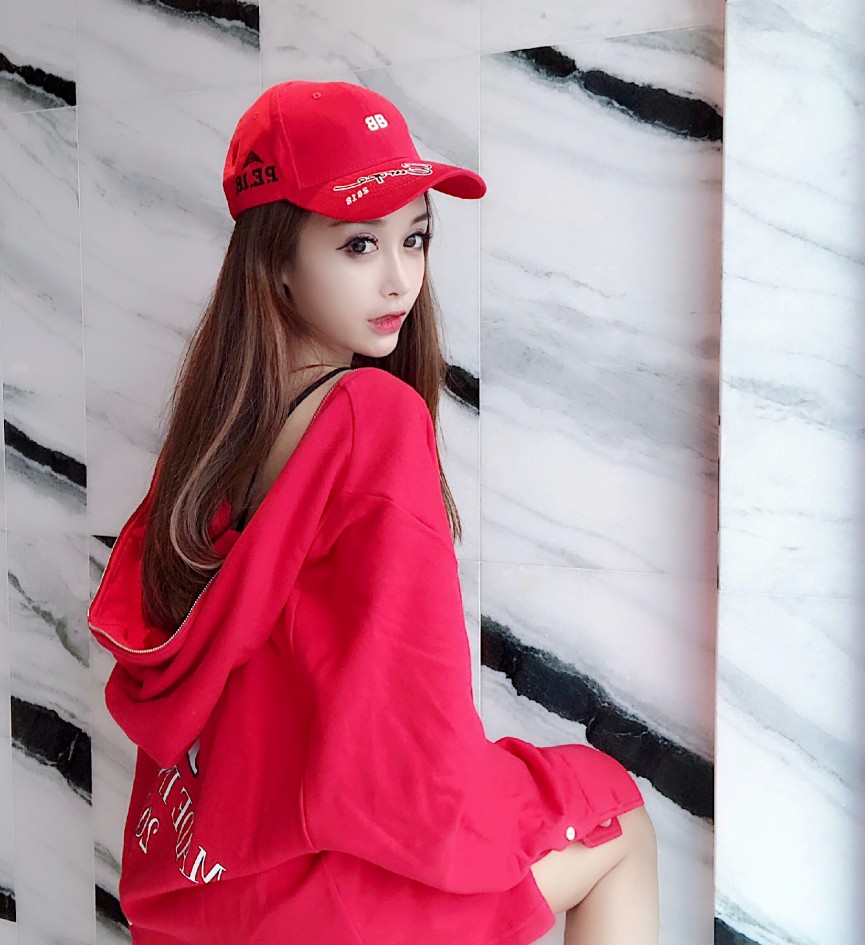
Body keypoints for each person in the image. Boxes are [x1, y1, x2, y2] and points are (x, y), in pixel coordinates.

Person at [87, 79, 659, 945]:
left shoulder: (206, 442)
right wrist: (492, 822)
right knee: (616, 816)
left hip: (192, 886)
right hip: (327, 911)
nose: (400, 279)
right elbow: (416, 734)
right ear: (277, 258)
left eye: (414, 238)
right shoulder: (371, 416)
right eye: (359, 244)